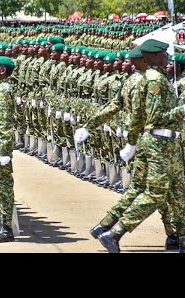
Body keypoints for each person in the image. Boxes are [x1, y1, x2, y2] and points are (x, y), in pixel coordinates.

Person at [74, 47, 179, 250]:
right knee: (160, 190)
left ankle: (105, 225)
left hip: (141, 140)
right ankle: (169, 233)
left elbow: (114, 106)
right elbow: (150, 116)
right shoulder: (150, 81)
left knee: (143, 188)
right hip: (156, 141)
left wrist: (90, 126)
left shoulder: (132, 81)